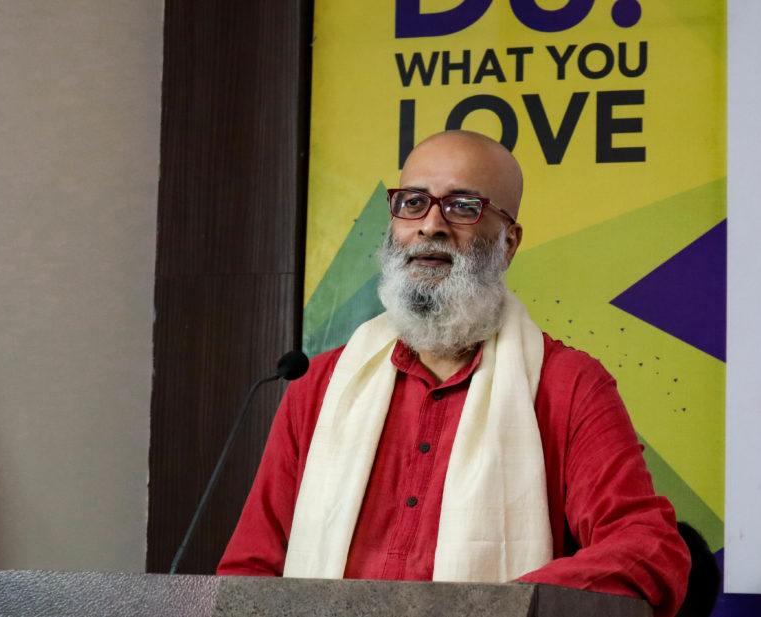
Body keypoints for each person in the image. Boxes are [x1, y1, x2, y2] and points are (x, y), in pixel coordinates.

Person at [218, 130, 691, 615]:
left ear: (509, 243)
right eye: (413, 203)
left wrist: (492, 609)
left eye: (463, 207)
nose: (431, 226)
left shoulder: (567, 385)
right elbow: (249, 571)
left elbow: (648, 550)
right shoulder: (320, 384)